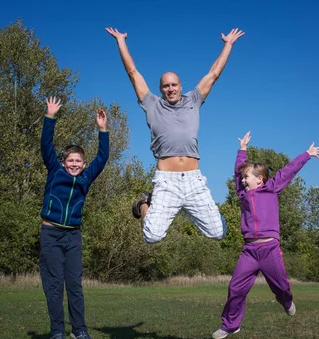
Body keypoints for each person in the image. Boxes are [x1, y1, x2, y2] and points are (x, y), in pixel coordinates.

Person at [105, 27, 245, 243]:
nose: (170, 89)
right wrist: (121, 41)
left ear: (181, 86)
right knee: (151, 237)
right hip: (166, 181)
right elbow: (133, 73)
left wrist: (228, 44)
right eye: (166, 86)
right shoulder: (152, 104)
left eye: (174, 84)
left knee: (218, 233)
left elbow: (213, 74)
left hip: (193, 180)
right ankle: (144, 203)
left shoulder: (194, 100)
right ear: (160, 89)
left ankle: (192, 209)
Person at [212, 131, 319, 339]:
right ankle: (230, 325)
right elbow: (237, 173)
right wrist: (242, 150)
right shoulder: (243, 194)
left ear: (260, 180)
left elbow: (288, 171)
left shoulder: (271, 189)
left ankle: (287, 301)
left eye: (247, 177)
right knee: (235, 288)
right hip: (249, 251)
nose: (243, 180)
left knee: (280, 286)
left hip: (270, 248)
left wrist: (306, 155)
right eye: (243, 177)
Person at [39, 97, 109, 339]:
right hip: (50, 233)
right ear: (64, 161)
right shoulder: (55, 171)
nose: (75, 164)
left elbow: (102, 157)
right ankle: (57, 333)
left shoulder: (85, 179)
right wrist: (50, 117)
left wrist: (102, 130)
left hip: (73, 237)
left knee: (75, 286)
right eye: (71, 160)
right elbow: (46, 145)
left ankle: (79, 330)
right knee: (54, 286)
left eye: (79, 161)